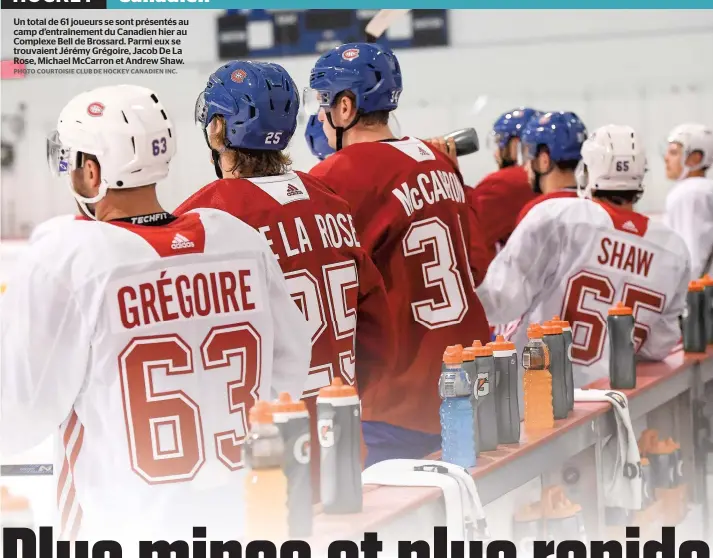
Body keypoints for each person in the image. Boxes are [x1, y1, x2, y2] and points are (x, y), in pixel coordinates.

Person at [0, 85, 311, 542]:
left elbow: (17, 416)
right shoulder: (236, 239)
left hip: (124, 529)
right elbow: (289, 370)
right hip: (244, 518)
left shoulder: (71, 255)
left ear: (92, 172)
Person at [174, 61, 394, 482]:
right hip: (341, 440)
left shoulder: (205, 217)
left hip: (263, 458)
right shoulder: (330, 200)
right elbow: (377, 332)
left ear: (217, 129)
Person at [305, 42, 492, 465]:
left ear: (346, 107)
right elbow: (476, 265)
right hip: (469, 385)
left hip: (396, 397)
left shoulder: (336, 174)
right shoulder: (439, 162)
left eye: (324, 102)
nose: (320, 114)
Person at [476, 124, 690, 389]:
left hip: (537, 399)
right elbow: (659, 345)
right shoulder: (672, 249)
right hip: (615, 399)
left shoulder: (557, 215)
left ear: (586, 171)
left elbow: (499, 303)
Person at [467, 108, 541, 255]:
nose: (496, 153)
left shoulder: (504, 183)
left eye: (500, 142)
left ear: (517, 144)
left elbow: (466, 238)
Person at [514, 111, 588, 225]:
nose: (526, 168)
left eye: (529, 157)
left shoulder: (536, 213)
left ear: (544, 161)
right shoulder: (595, 208)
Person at [663, 123, 713, 279]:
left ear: (694, 158)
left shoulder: (689, 192)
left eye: (674, 153)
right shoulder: (703, 190)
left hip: (699, 295)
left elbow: (692, 257)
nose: (666, 158)